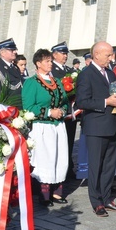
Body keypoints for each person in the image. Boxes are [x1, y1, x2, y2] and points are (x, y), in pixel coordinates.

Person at [75, 41, 116, 217]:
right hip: (96, 127)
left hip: (111, 125)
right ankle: (96, 202)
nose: (111, 58)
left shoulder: (110, 74)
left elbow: (115, 95)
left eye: (111, 55)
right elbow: (82, 101)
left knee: (109, 166)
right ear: (97, 54)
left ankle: (106, 198)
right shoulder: (86, 74)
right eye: (108, 55)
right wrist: (107, 102)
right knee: (96, 166)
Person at [23, 49, 70, 206]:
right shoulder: (31, 82)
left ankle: (57, 192)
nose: (50, 64)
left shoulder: (56, 81)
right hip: (42, 126)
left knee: (60, 157)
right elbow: (28, 107)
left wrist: (61, 111)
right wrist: (50, 112)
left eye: (51, 61)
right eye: (47, 61)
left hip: (58, 126)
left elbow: (65, 102)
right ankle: (44, 194)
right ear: (38, 63)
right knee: (45, 159)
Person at [50, 42, 77, 181]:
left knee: (70, 140)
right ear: (55, 55)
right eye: (62, 53)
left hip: (70, 111)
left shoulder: (68, 69)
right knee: (60, 142)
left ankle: (69, 166)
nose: (65, 56)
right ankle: (61, 169)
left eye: (66, 53)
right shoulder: (52, 70)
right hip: (59, 111)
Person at [0, 38, 24, 108]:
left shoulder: (15, 68)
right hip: (5, 110)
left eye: (15, 49)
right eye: (12, 50)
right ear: (2, 53)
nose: (15, 52)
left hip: (19, 108)